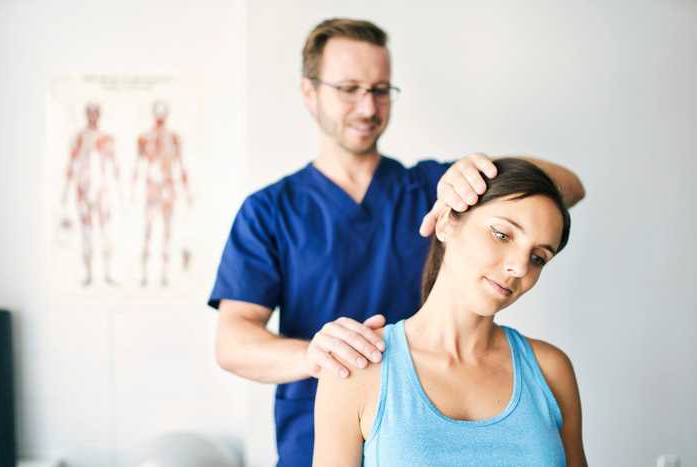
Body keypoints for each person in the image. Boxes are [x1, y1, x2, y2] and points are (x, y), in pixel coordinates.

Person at [209, 19, 585, 467]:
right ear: (310, 93)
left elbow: (566, 189)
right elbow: (233, 342)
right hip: (316, 438)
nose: (368, 107)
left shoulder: (438, 189)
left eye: (381, 90)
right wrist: (317, 355)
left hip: (433, 431)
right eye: (349, 88)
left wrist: (480, 167)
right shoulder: (270, 211)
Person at [313, 158, 588, 466]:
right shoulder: (359, 368)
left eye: (538, 257)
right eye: (502, 235)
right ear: (445, 222)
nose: (519, 266)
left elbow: (576, 185)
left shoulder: (551, 370)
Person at [132, 100, 192, 287]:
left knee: (167, 231)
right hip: (153, 188)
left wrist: (186, 191)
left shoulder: (174, 137)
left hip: (168, 187)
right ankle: (144, 274)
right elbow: (138, 164)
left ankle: (164, 274)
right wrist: (133, 190)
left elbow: (181, 165)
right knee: (148, 231)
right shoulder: (144, 137)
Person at [61, 102, 121, 286]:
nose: (93, 116)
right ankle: (88, 274)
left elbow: (114, 166)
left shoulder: (106, 138)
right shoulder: (79, 137)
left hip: (101, 190)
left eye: (96, 113)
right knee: (86, 232)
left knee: (106, 232)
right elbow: (71, 164)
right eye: (90, 113)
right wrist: (65, 192)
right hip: (83, 189)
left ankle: (108, 273)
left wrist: (118, 192)